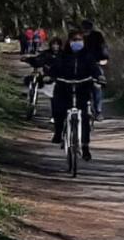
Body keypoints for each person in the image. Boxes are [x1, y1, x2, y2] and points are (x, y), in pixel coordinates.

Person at [44, 29, 103, 159]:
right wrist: (50, 77)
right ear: (69, 42)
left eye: (79, 40)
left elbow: (95, 69)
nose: (77, 43)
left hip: (82, 89)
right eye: (74, 40)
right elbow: (55, 68)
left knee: (85, 118)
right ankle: (58, 132)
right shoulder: (63, 56)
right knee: (59, 110)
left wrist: (99, 77)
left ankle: (85, 146)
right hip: (64, 88)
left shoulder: (88, 56)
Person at [81, 19, 110, 119]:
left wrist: (105, 58)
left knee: (97, 85)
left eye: (88, 28)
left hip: (95, 64)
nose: (86, 30)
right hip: (80, 64)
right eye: (84, 28)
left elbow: (103, 47)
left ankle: (98, 111)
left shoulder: (97, 36)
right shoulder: (77, 36)